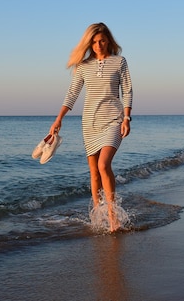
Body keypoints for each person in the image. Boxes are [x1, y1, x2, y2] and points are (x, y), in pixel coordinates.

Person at [49, 22, 133, 232]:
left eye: (102, 40)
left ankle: (113, 217)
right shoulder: (83, 66)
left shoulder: (119, 62)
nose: (98, 45)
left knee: (104, 165)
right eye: (94, 42)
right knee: (94, 172)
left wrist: (126, 118)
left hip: (113, 119)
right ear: (89, 44)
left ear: (109, 40)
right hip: (90, 123)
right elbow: (72, 93)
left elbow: (128, 91)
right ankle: (97, 216)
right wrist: (59, 119)